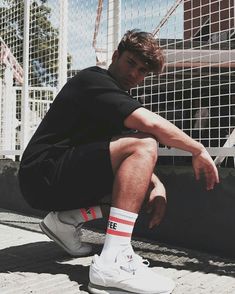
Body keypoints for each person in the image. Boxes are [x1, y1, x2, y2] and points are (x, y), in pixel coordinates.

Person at [18, 29, 219, 294]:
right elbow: (149, 126)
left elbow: (125, 155)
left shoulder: (118, 100)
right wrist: (197, 149)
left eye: (142, 71)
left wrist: (156, 184)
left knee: (141, 185)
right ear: (115, 56)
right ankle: (113, 262)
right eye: (130, 63)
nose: (134, 74)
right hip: (43, 172)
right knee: (146, 141)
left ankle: (64, 222)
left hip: (57, 179)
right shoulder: (94, 80)